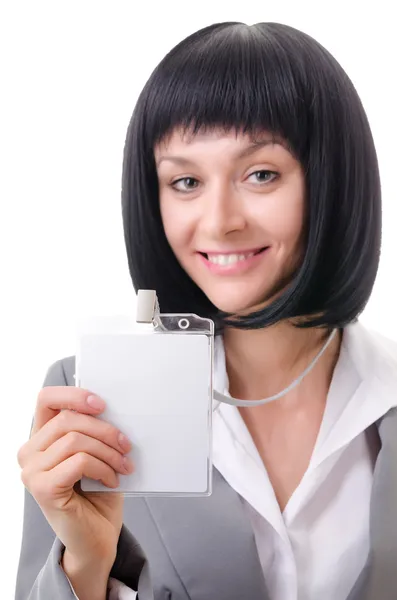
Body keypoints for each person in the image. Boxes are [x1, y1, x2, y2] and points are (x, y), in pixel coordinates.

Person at [14, 20, 397, 600]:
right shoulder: (89, 396)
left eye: (260, 174)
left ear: (330, 181)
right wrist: (84, 566)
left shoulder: (385, 400)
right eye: (186, 180)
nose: (219, 220)